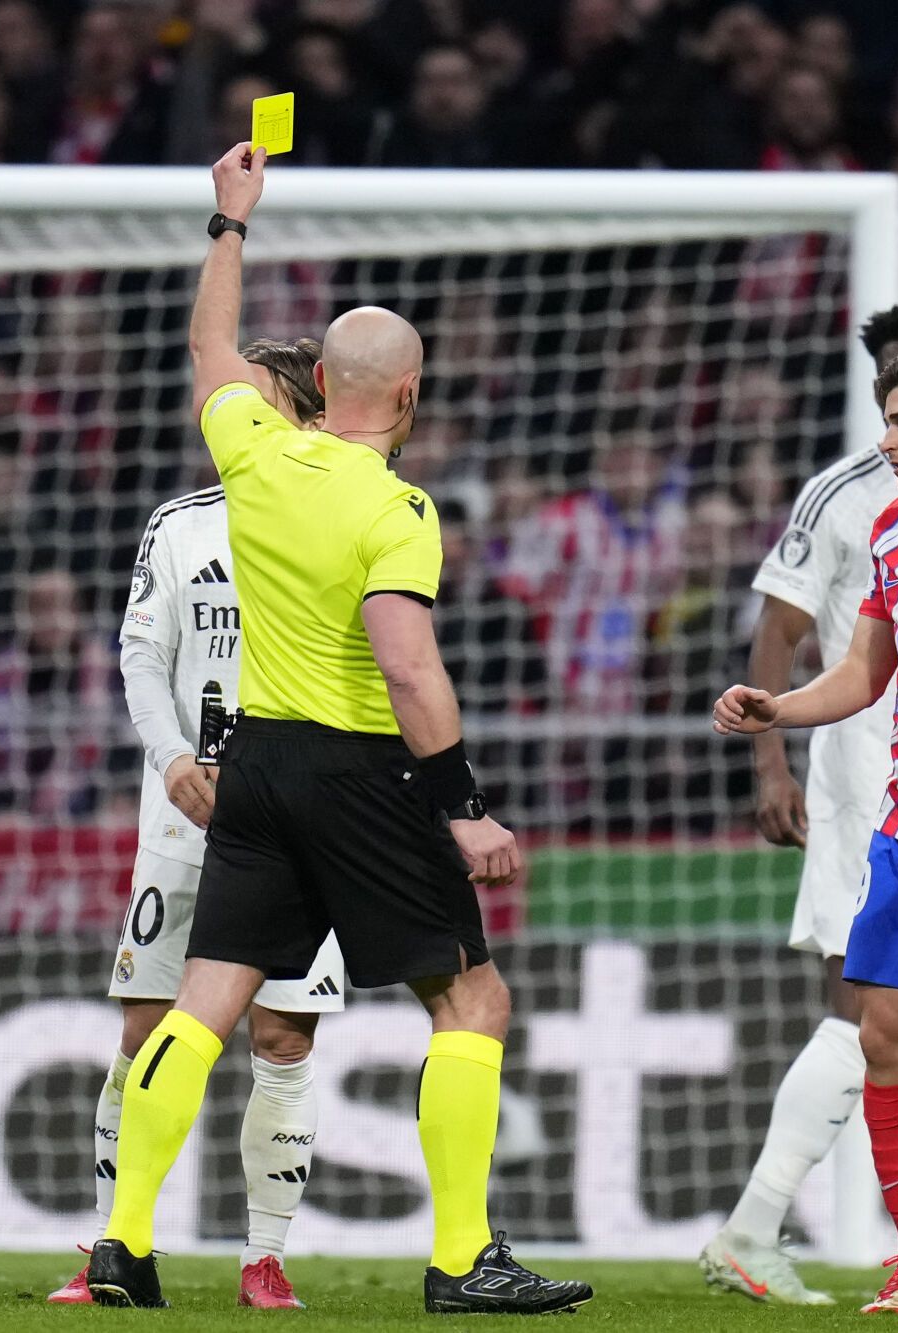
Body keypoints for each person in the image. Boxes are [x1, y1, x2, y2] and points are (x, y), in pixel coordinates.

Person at [83, 142, 591, 1316]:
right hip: (361, 771)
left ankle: (121, 1242)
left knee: (204, 1000)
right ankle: (463, 1258)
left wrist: (229, 222)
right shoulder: (396, 505)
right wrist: (460, 806)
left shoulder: (255, 456)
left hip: (251, 763)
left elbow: (211, 348)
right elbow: (406, 667)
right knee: (471, 1001)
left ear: (310, 376)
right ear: (406, 396)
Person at [702, 303, 898, 1305]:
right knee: (881, 1027)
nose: (886, 436)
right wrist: (773, 722)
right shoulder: (878, 519)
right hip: (887, 812)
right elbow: (847, 662)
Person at [50, 337, 344, 1311]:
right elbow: (139, 657)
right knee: (143, 1030)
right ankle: (112, 1245)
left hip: (302, 816)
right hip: (184, 816)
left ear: (298, 408)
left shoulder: (346, 509)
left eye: (245, 395)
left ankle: (264, 1256)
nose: (222, 409)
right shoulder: (178, 524)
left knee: (283, 1035)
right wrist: (173, 759)